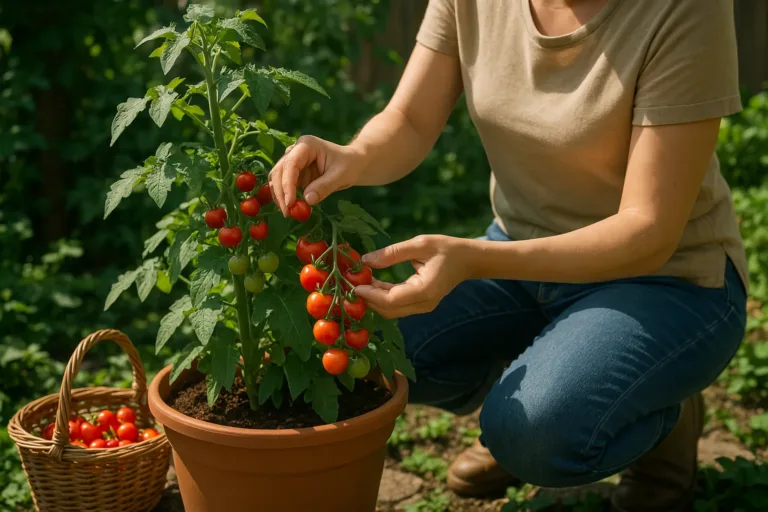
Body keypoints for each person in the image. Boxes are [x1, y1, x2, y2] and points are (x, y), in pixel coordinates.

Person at [268, 0, 748, 509]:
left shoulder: (684, 9)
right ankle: (541, 384)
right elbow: (409, 120)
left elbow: (646, 231)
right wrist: (351, 155)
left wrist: (475, 261)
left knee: (538, 434)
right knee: (365, 344)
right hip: (520, 253)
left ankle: (648, 411)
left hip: (665, 279)